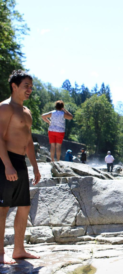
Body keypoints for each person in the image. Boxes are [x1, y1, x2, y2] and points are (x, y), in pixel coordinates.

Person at [0, 70, 41, 264]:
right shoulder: (5, 108)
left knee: (24, 206)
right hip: (4, 161)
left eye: (31, 86)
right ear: (14, 86)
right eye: (26, 86)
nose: (29, 90)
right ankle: (0, 253)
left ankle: (19, 250)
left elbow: (29, 141)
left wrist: (35, 166)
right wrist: (7, 165)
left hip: (20, 162)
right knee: (2, 207)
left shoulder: (26, 112)